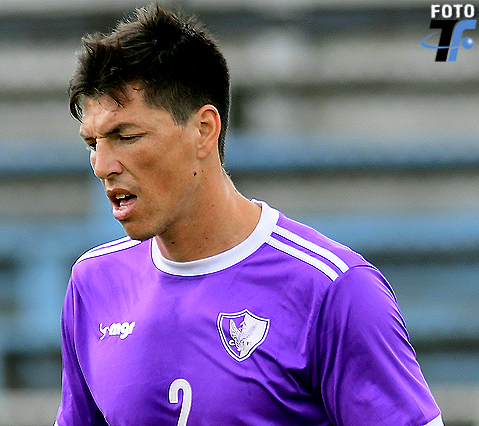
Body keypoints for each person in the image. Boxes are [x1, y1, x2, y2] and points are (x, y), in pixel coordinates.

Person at [56, 4, 443, 425]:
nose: (102, 165)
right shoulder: (93, 284)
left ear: (204, 130)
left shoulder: (333, 290)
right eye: (92, 143)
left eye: (126, 136)